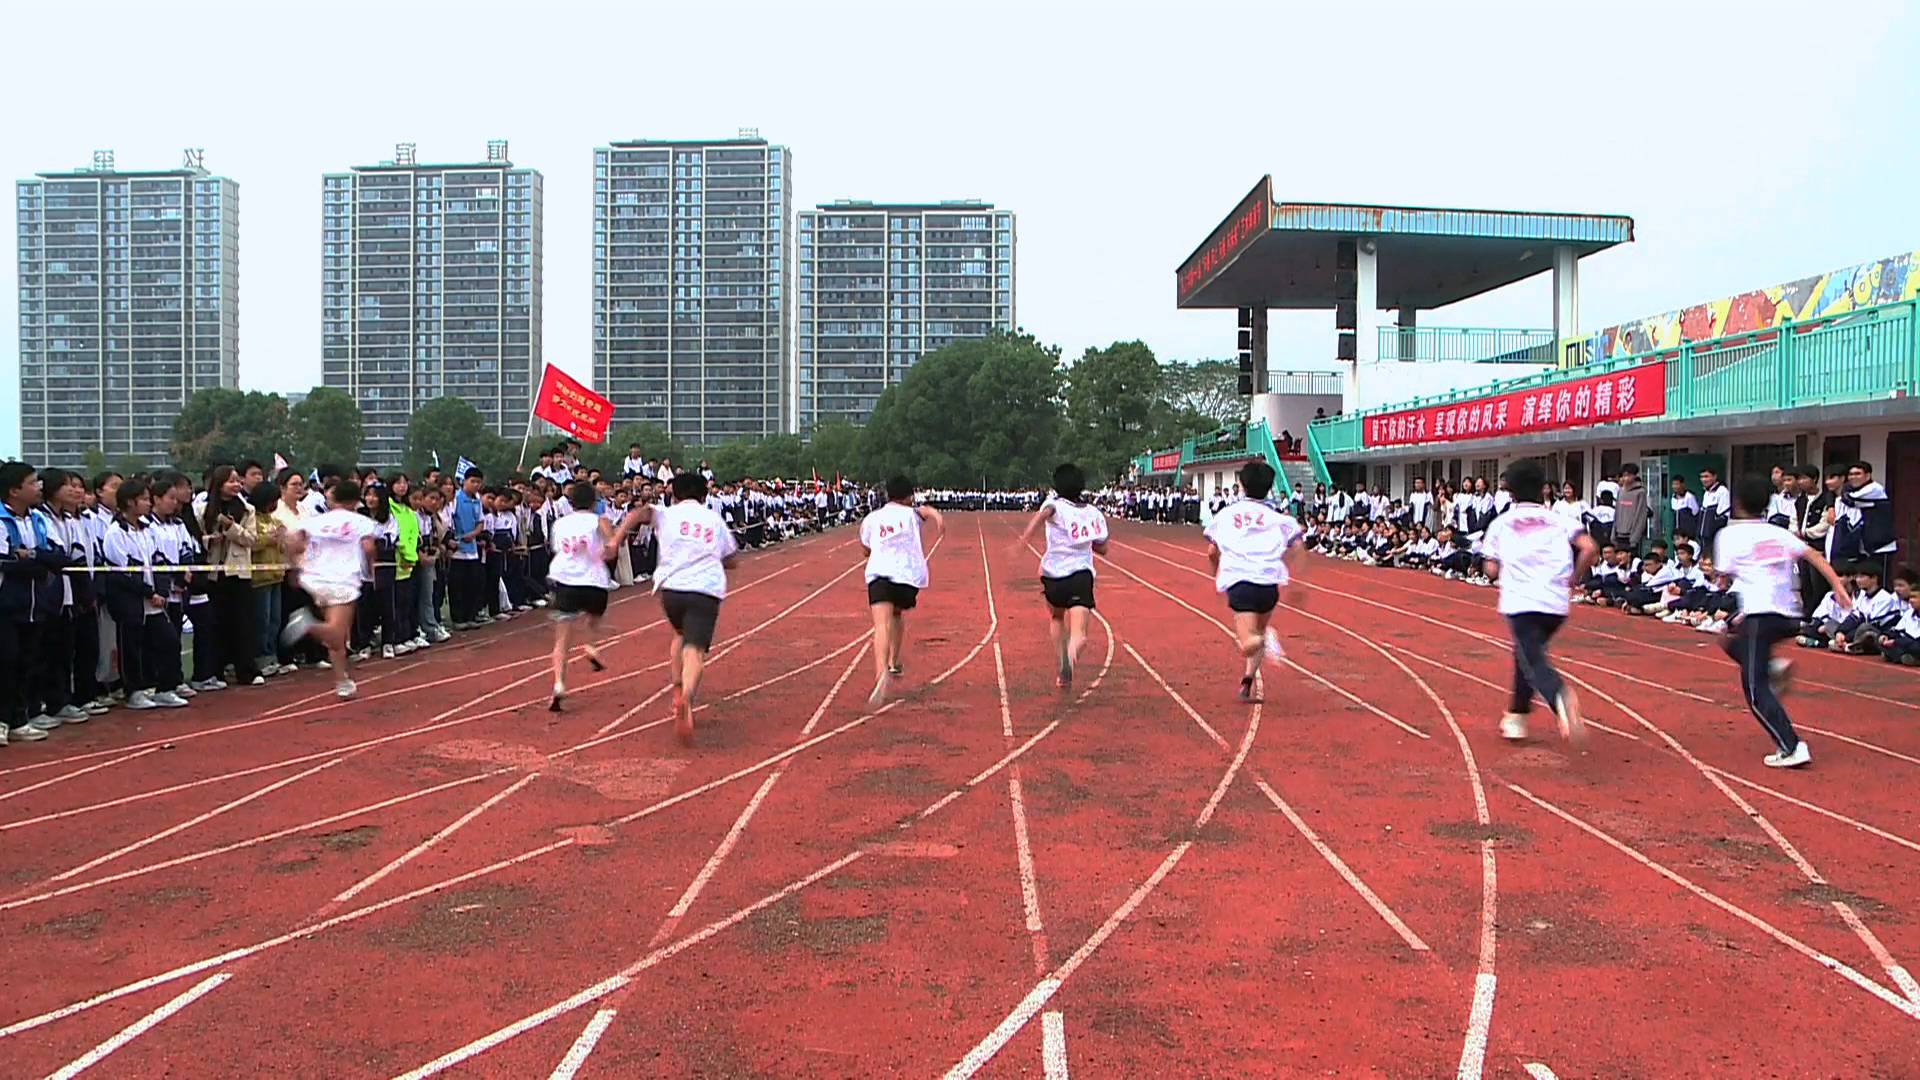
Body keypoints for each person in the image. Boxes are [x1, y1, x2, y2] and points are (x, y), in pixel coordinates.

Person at [1714, 475, 1853, 767]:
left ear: (1736, 503)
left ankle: (1791, 747)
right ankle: (1772, 666)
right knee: (1726, 636)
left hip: (1759, 617)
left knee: (1755, 692)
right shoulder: (1778, 533)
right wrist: (1838, 586)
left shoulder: (1728, 536)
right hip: (1789, 616)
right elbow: (1813, 555)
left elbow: (1722, 576)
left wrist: (1723, 580)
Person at [1482, 459, 1599, 744]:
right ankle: (1516, 716)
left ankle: (1558, 694)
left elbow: (1492, 569)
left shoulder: (1501, 524)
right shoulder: (1561, 519)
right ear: (1543, 489)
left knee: (1532, 658)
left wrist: (1496, 571)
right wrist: (1574, 577)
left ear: (1510, 492)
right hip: (1556, 603)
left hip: (1521, 601)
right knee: (1526, 654)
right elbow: (1589, 548)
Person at [627, 472, 736, 744]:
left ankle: (676, 688)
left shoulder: (666, 514)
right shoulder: (714, 520)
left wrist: (616, 540)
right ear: (705, 495)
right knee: (695, 649)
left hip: (671, 590)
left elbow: (640, 513)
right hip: (704, 589)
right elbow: (731, 557)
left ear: (674, 495)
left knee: (679, 633)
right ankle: (687, 694)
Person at [1202, 460, 1301, 703]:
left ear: (1242, 485)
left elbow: (1211, 552)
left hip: (1241, 581)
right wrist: (1297, 582)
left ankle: (1266, 638)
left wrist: (1216, 573)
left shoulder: (1226, 515)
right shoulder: (1278, 518)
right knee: (1257, 631)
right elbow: (1298, 548)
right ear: (1268, 488)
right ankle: (1247, 682)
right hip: (1269, 585)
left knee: (1249, 642)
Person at [545, 480, 643, 711]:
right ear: (594, 502)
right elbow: (612, 548)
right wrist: (603, 552)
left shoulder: (560, 524)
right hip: (594, 580)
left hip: (565, 578)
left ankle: (559, 683)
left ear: (570, 502)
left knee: (561, 639)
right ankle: (590, 645)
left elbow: (557, 549)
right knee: (594, 618)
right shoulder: (600, 520)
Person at [281, 480, 379, 699]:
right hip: (342, 580)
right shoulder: (363, 522)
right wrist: (370, 568)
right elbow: (369, 547)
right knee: (336, 631)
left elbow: (293, 542)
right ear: (357, 500)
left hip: (314, 579)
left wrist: (295, 566)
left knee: (337, 637)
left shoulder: (316, 521)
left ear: (333, 499)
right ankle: (307, 625)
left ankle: (342, 680)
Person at [1016, 463, 1109, 689]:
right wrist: (1084, 544)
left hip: (1053, 576)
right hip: (1080, 575)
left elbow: (1042, 516)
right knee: (1080, 635)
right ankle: (1070, 657)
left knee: (1056, 617)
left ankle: (1062, 668)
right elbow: (1103, 548)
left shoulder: (1053, 505)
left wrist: (1024, 539)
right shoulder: (1093, 512)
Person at [860, 474, 946, 707]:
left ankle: (881, 674)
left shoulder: (871, 518)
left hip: (878, 574)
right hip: (906, 579)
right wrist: (938, 519)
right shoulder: (911, 513)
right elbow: (926, 511)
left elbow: (865, 549)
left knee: (881, 625)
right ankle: (893, 662)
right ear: (909, 497)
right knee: (897, 613)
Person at [201, 464, 264, 687]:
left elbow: (251, 539)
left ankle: (246, 670)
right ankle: (216, 670)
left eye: (238, 481)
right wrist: (210, 540)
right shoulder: (204, 509)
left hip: (239, 572)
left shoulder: (247, 510)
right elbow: (197, 538)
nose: (236, 485)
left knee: (243, 623)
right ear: (219, 485)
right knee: (217, 623)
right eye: (231, 481)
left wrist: (231, 527)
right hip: (215, 573)